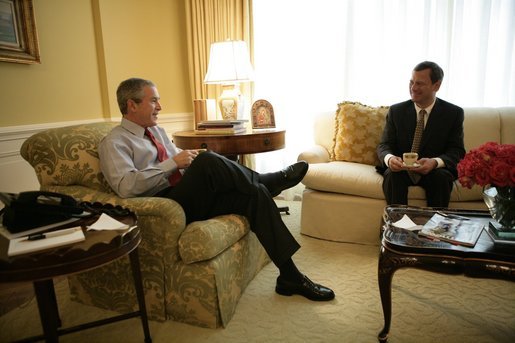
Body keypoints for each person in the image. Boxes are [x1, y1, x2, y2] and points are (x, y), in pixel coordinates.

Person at [98, 77, 335, 301]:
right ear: (132, 105)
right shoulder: (115, 142)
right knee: (209, 161)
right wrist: (173, 163)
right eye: (153, 100)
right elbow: (126, 187)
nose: (160, 106)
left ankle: (290, 276)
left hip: (187, 195)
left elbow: (179, 168)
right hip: (164, 205)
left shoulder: (157, 131)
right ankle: (265, 179)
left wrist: (187, 161)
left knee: (254, 194)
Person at [377, 61, 466, 207]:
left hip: (433, 170)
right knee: (392, 175)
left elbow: (457, 151)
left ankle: (435, 228)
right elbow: (384, 145)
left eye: (420, 84)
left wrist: (435, 162)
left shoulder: (453, 113)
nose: (413, 88)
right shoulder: (396, 111)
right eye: (411, 82)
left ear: (436, 86)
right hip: (401, 170)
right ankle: (398, 226)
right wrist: (390, 159)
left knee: (441, 178)